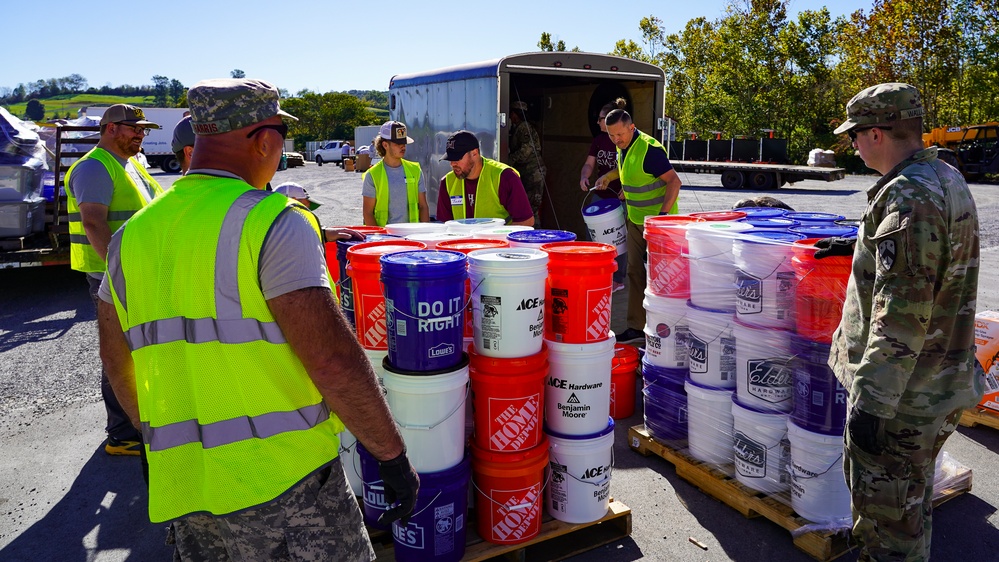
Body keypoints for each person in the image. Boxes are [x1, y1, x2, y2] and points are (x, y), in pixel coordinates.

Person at [96, 78, 418, 560]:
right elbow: (331, 360)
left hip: (186, 487)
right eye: (281, 137)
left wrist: (155, 441)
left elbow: (117, 363)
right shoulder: (272, 221)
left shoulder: (131, 237)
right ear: (264, 139)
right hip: (287, 486)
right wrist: (391, 455)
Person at [823, 82, 982, 561]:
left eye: (855, 134)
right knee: (910, 510)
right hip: (937, 383)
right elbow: (926, 268)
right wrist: (862, 250)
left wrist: (871, 402)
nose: (851, 144)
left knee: (886, 530)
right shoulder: (943, 177)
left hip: (903, 399)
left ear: (877, 133)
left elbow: (902, 316)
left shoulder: (907, 198)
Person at [65, 103, 164, 456]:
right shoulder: (94, 167)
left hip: (135, 272)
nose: (140, 133)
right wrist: (119, 273)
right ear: (110, 129)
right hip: (113, 276)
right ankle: (122, 434)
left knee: (137, 348)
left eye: (143, 129)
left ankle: (141, 418)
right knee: (120, 352)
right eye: (133, 128)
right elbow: (94, 223)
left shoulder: (130, 164)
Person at [595, 109, 682, 344]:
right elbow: (631, 172)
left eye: (620, 135)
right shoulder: (623, 145)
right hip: (635, 220)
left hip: (658, 224)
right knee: (634, 271)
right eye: (611, 136)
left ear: (632, 128)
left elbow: (674, 181)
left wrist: (662, 217)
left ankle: (666, 327)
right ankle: (636, 326)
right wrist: (611, 178)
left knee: (661, 277)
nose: (616, 140)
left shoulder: (650, 149)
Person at [435, 130, 535, 226]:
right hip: (462, 242)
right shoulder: (447, 182)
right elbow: (444, 226)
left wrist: (496, 237)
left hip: (498, 242)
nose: (452, 164)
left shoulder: (505, 177)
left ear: (475, 153)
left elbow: (526, 221)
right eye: (450, 159)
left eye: (457, 158)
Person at [580, 98, 629, 291]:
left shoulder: (621, 140)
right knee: (591, 232)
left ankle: (617, 279)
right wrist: (584, 177)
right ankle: (594, 272)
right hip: (600, 194)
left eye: (600, 118)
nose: (598, 122)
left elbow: (629, 169)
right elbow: (589, 163)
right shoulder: (598, 140)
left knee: (618, 238)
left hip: (619, 197)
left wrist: (627, 188)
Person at [362, 120, 430, 226]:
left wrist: (426, 232)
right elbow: (367, 213)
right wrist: (378, 237)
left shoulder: (415, 170)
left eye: (404, 143)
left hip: (412, 235)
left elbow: (423, 206)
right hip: (385, 237)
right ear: (385, 145)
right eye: (398, 143)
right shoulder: (372, 175)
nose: (403, 146)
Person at [508, 100, 547, 225]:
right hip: (528, 173)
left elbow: (526, 150)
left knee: (531, 209)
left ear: (515, 114)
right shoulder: (520, 127)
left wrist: (508, 161)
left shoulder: (524, 127)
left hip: (533, 173)